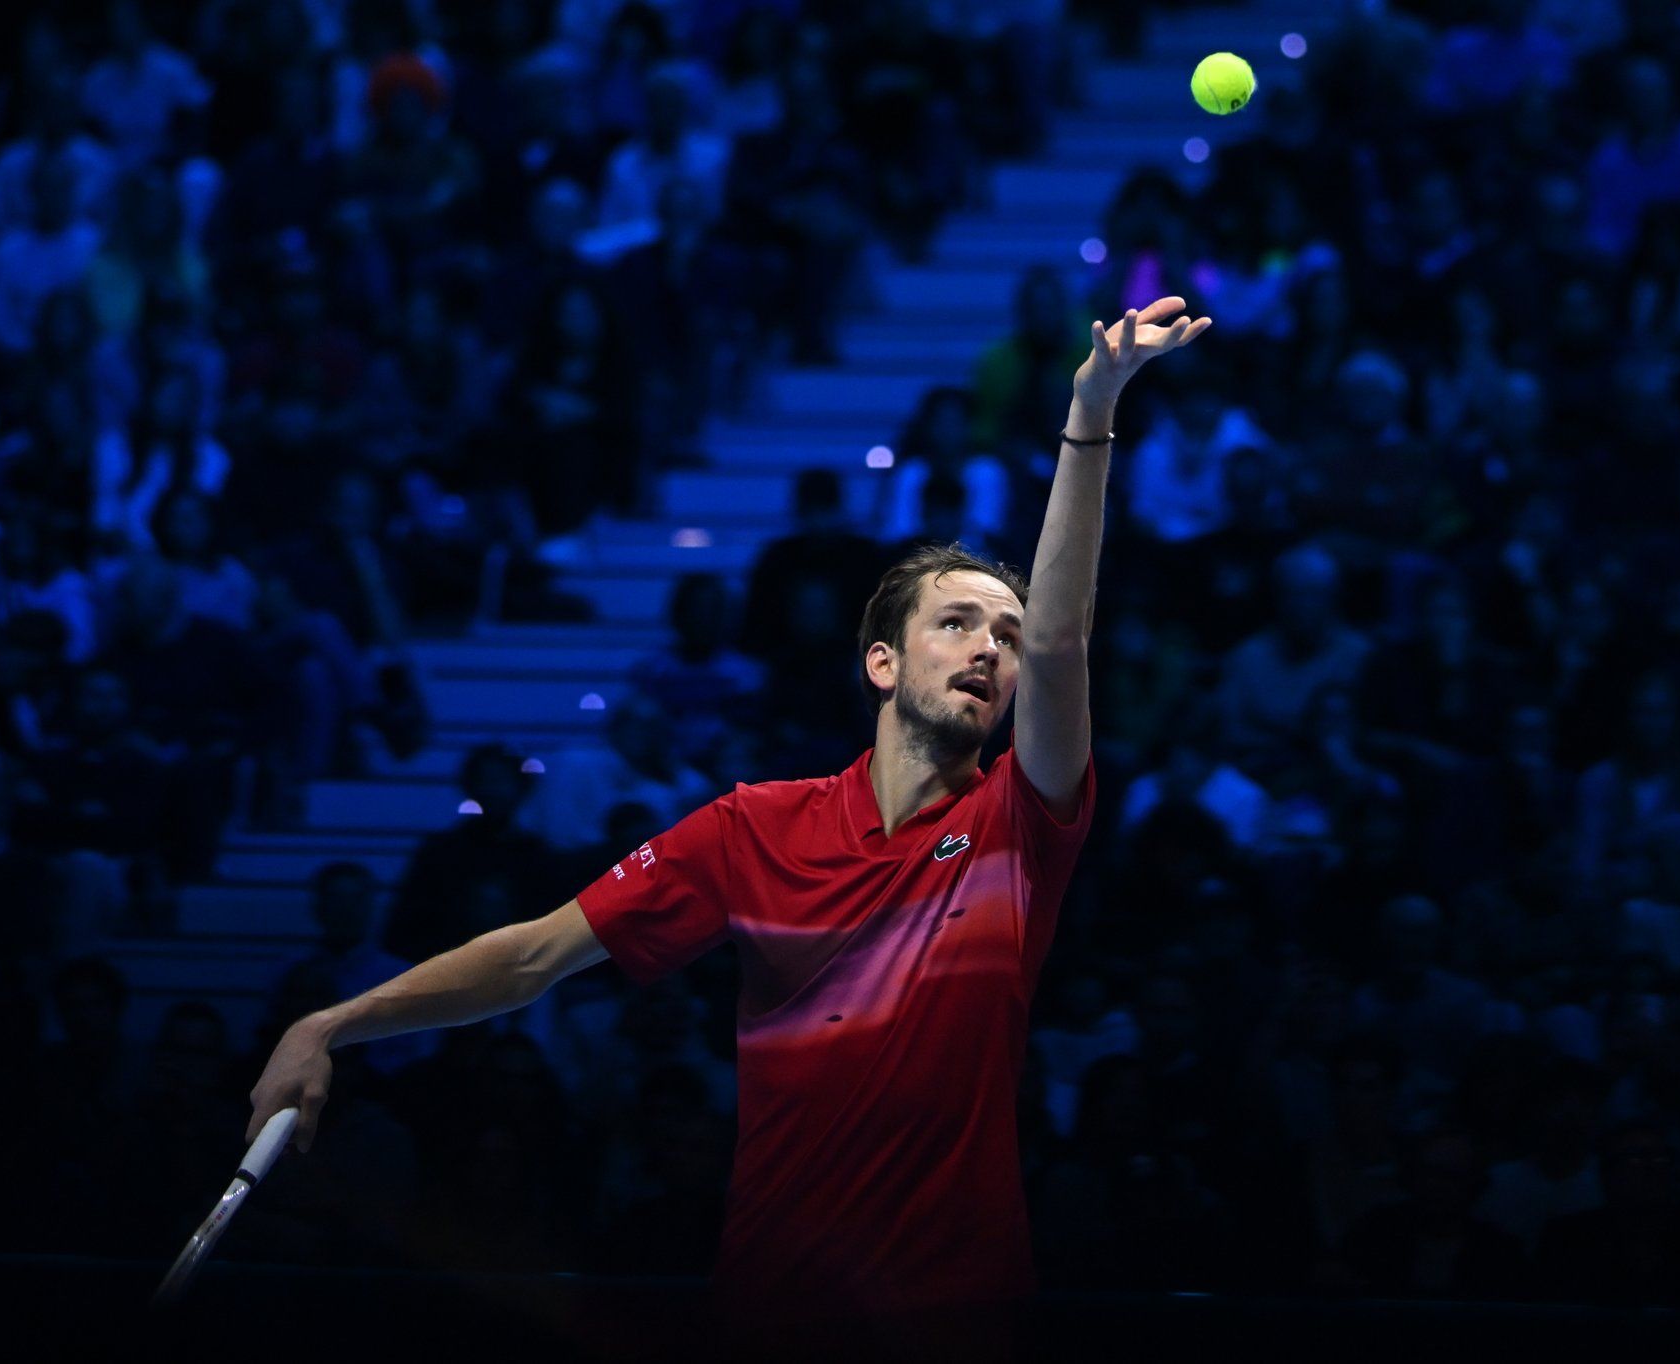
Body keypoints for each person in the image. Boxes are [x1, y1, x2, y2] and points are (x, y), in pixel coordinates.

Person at [243, 298, 1211, 1355]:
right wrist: (328, 1023)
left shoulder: (1017, 828)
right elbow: (529, 957)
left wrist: (1088, 413)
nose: (991, 647)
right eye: (956, 620)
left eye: (1006, 636)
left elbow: (1067, 638)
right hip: (769, 1308)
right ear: (881, 663)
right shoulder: (754, 828)